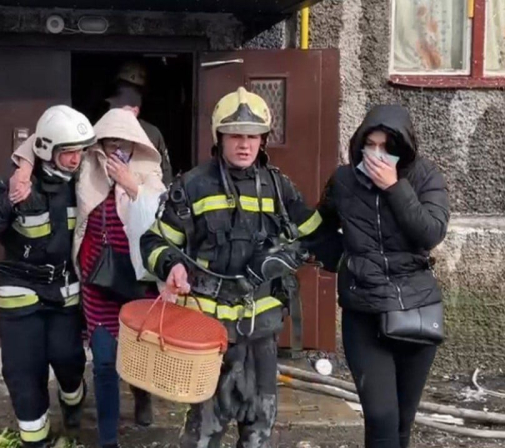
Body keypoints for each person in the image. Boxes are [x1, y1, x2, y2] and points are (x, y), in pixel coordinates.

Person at [140, 87, 336, 448]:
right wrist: (170, 266)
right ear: (220, 138)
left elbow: (316, 235)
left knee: (259, 426)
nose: (244, 144)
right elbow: (153, 243)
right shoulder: (193, 186)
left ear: (263, 140)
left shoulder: (279, 188)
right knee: (204, 431)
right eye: (235, 136)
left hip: (261, 331)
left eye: (252, 136)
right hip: (208, 332)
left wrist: (294, 252)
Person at [9, 108, 165, 448]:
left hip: (138, 283)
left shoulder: (149, 171)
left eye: (123, 142)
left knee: (138, 357)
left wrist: (131, 185)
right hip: (97, 282)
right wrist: (22, 169)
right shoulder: (86, 166)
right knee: (105, 362)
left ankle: (141, 396)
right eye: (108, 141)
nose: (115, 149)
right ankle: (108, 440)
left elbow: (160, 216)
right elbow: (43, 142)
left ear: (137, 143)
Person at [316, 105, 450, 448]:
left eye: (386, 147)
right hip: (364, 309)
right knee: (380, 417)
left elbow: (430, 233)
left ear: (402, 148)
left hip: (415, 308)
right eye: (370, 146)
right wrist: (343, 261)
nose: (377, 155)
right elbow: (320, 228)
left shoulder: (425, 177)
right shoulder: (344, 180)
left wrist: (394, 187)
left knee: (402, 423)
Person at [0, 105, 94, 448]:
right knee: (24, 371)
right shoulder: (16, 184)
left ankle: (73, 411)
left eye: (79, 151)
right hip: (20, 293)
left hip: (64, 293)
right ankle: (36, 441)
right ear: (48, 150)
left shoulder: (84, 185)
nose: (75, 159)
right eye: (68, 152)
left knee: (69, 361)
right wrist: (7, 202)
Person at [107, 60, 173, 186]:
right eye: (124, 90)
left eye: (135, 91)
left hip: (142, 199)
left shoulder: (152, 133)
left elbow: (165, 178)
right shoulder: (100, 129)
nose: (128, 97)